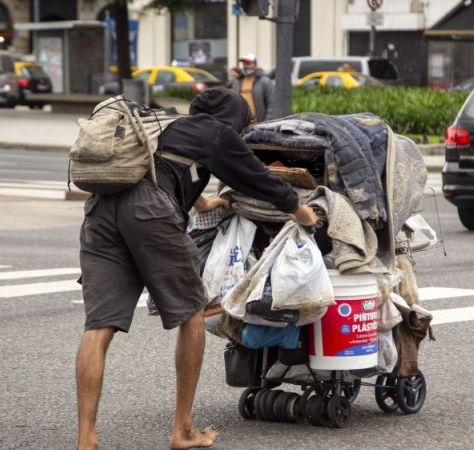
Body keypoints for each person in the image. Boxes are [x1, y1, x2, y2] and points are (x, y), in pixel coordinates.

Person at [75, 88, 317, 450]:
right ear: (234, 118)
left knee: (98, 327)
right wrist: (302, 212)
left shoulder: (169, 125)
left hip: (100, 213)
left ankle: (86, 438)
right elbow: (260, 180)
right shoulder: (217, 132)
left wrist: (203, 202)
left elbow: (162, 168)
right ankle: (183, 430)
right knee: (192, 313)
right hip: (150, 213)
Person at [230, 53, 275, 123]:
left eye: (248, 63)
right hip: (242, 124)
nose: (245, 66)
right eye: (244, 64)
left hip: (259, 125)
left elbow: (272, 104)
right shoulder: (238, 81)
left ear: (255, 65)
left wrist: (267, 123)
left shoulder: (265, 81)